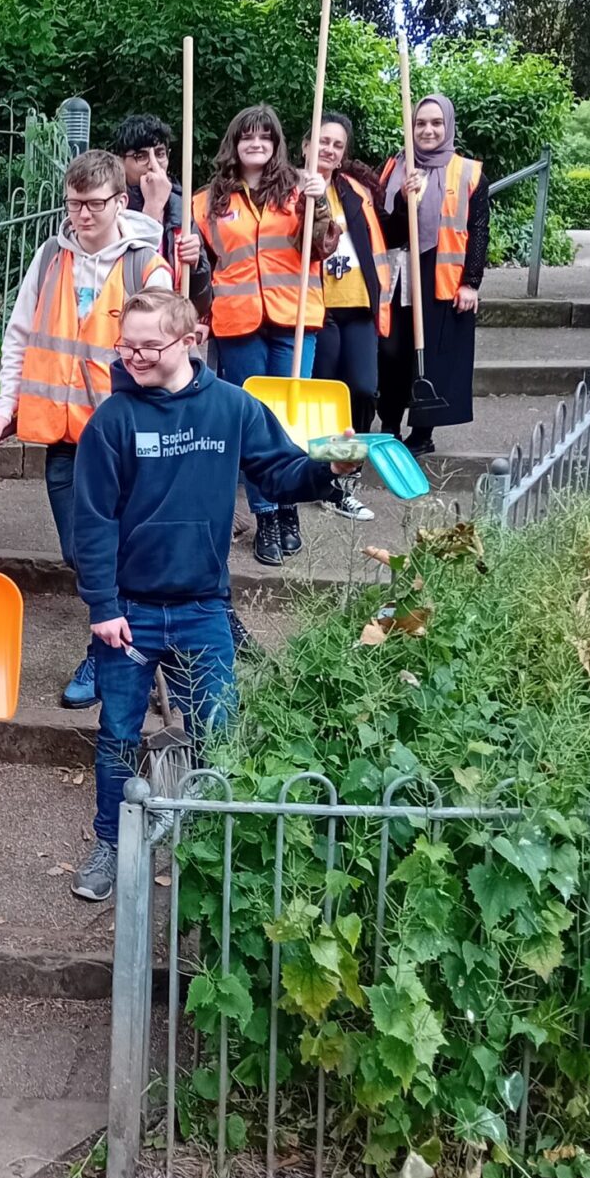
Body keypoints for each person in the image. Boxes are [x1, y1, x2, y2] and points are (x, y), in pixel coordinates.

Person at [67, 290, 352, 902]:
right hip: (131, 611)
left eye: (149, 345)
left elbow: (280, 471)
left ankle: (205, 846)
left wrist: (331, 470)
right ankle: (111, 844)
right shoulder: (113, 421)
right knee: (118, 733)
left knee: (216, 733)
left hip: (203, 608)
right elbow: (92, 521)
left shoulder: (233, 409)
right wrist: (103, 606)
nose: (135, 357)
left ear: (190, 341)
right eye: (127, 345)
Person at [0, 148, 173, 713]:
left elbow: (169, 356)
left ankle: (106, 651)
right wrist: (5, 404)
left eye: (93, 204)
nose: (82, 215)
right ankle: (127, 637)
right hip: (64, 437)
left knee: (114, 550)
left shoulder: (146, 266)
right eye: (73, 204)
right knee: (78, 551)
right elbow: (19, 336)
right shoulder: (49, 258)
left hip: (125, 440)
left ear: (119, 201)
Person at [192, 104, 338, 566]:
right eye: (247, 137)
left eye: (265, 137)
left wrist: (324, 203)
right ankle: (266, 515)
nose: (256, 144)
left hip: (294, 317)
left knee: (290, 418)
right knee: (253, 421)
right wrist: (189, 258)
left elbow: (322, 247)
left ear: (276, 144)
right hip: (237, 324)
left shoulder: (299, 190)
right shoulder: (206, 201)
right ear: (234, 143)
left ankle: (289, 504)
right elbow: (199, 270)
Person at [377, 93, 491, 456]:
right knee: (392, 350)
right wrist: (401, 202)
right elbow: (382, 226)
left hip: (441, 274)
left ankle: (422, 433)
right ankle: (389, 425)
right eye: (420, 123)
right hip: (397, 272)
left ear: (448, 126)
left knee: (431, 353)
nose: (427, 130)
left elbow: (478, 230)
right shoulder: (394, 167)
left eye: (435, 123)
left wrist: (471, 282)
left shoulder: (469, 173)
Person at [306, 114, 393, 521]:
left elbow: (386, 236)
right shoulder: (291, 188)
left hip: (357, 304)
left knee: (362, 388)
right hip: (316, 308)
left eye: (337, 145)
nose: (328, 150)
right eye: (322, 141)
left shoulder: (355, 191)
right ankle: (322, 479)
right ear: (306, 145)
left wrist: (407, 201)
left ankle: (346, 479)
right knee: (324, 392)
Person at [107, 112, 210, 310]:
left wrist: (196, 266)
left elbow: (201, 301)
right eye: (141, 156)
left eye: (160, 153)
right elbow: (117, 277)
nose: (154, 165)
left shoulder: (181, 205)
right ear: (121, 161)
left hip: (170, 323)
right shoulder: (109, 207)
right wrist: (152, 209)